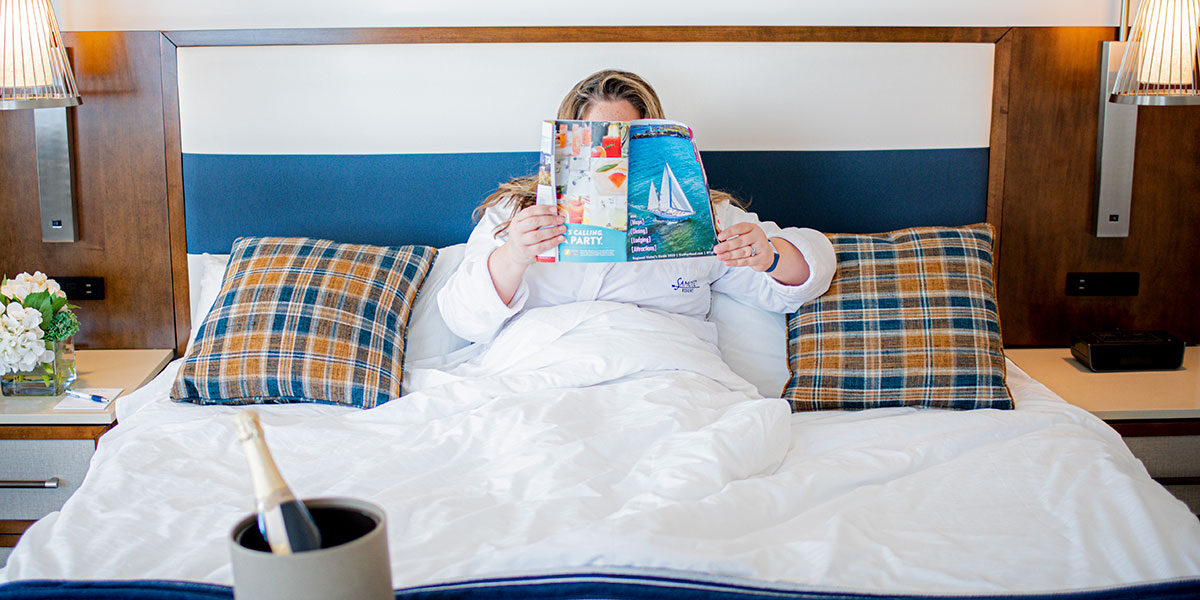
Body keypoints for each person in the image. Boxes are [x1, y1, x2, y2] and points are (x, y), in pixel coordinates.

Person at [438, 69, 836, 345]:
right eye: (600, 143)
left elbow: (810, 273)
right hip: (539, 369)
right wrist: (514, 255)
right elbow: (461, 318)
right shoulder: (515, 214)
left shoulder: (701, 215)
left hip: (662, 369)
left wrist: (769, 255)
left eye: (629, 141)